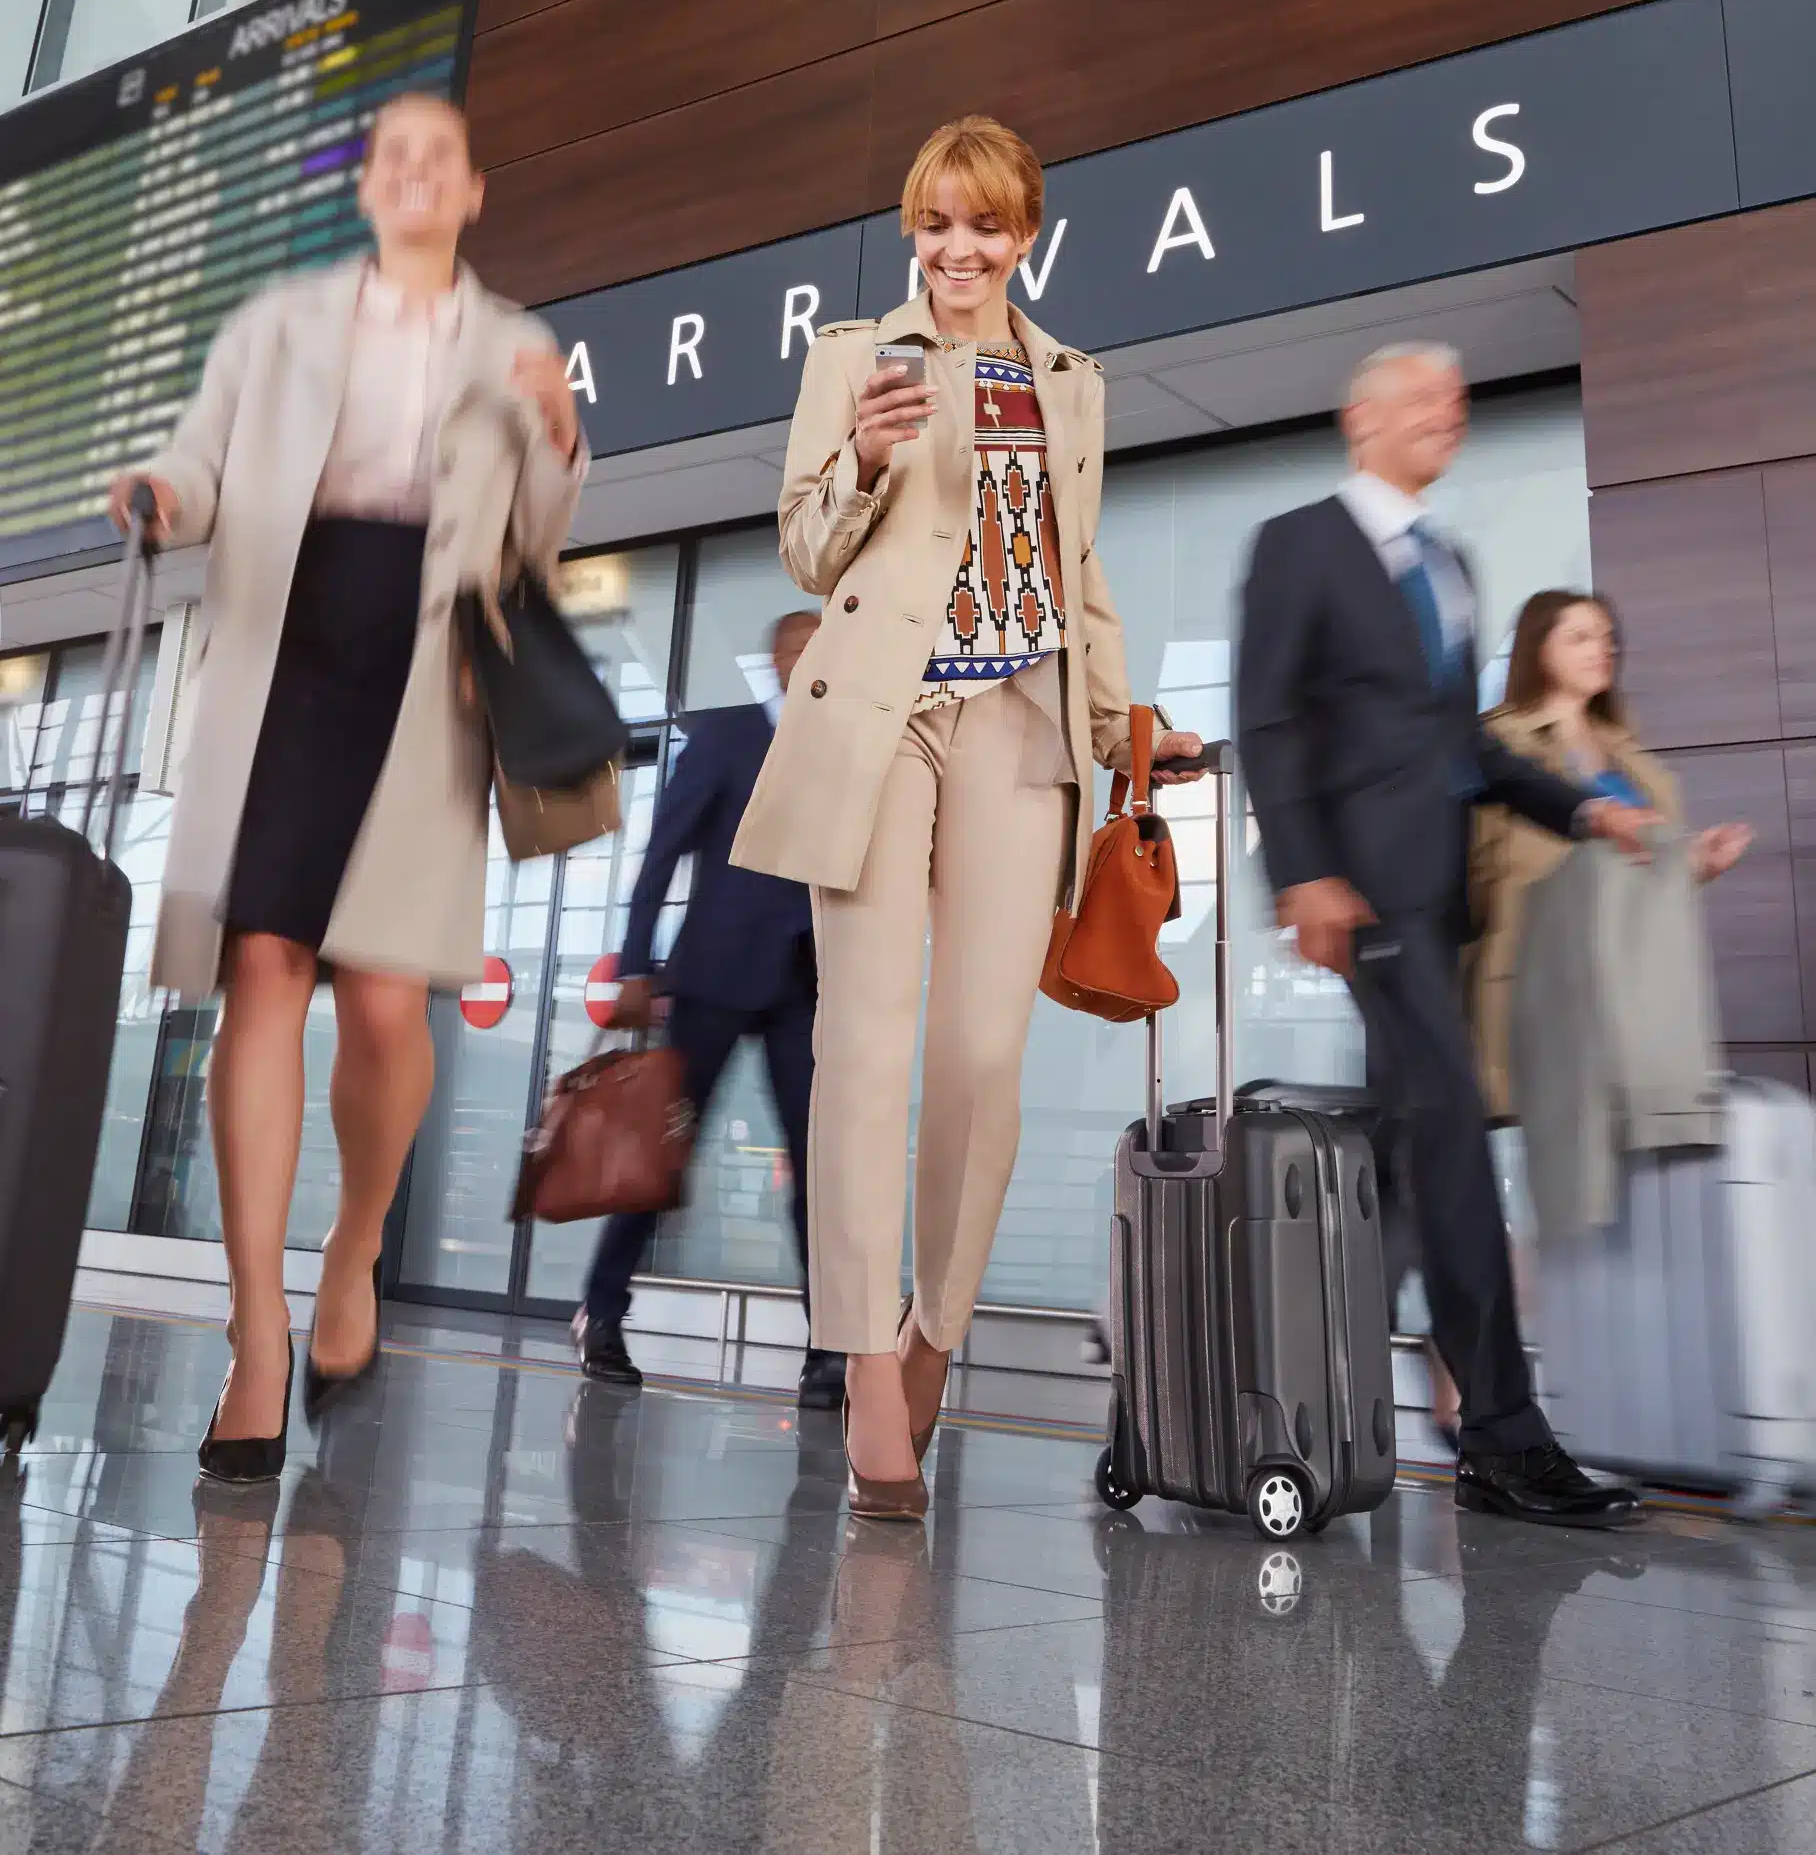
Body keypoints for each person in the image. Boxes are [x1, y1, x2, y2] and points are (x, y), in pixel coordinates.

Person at [730, 113, 1204, 1520]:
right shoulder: (847, 362)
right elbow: (807, 548)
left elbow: (1081, 568)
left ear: (1024, 236)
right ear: (909, 229)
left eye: (984, 226)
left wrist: (1128, 727)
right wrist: (866, 461)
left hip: (1021, 720)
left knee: (984, 1055)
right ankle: (868, 1354)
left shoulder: (1072, 378)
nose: (957, 249)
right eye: (935, 223)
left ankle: (939, 1318)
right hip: (881, 720)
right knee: (863, 1047)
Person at [109, 90, 585, 1485]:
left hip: (427, 663)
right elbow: (200, 462)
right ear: (371, 187)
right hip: (287, 643)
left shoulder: (515, 342)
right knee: (265, 963)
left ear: (476, 190)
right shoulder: (279, 325)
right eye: (394, 156)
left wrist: (559, 441)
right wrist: (161, 492)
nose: (417, 172)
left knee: (385, 996)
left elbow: (541, 544)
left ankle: (357, 1241)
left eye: (440, 154)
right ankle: (257, 1336)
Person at [1236, 342, 1658, 1529]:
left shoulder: (1451, 564)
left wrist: (1579, 806)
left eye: (1459, 399)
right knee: (1458, 1143)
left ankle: (1264, 1376)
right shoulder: (1299, 542)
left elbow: (1460, 747)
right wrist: (1302, 872)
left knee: (1408, 1163)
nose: (1448, 413)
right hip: (1363, 902)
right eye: (1422, 397)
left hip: (1438, 903)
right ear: (1357, 417)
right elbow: (1266, 720)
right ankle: (1505, 1437)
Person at [575, 610, 845, 1411]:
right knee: (661, 1161)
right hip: (712, 979)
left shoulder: (845, 750)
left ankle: (828, 1347)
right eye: (799, 649)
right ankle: (603, 1313)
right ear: (775, 658)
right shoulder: (725, 737)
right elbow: (661, 854)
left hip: (806, 986)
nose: (811, 662)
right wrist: (634, 964)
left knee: (819, 1172)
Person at [1469, 589, 1752, 1119]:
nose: (1601, 649)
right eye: (1579, 637)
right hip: (1541, 990)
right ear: (1536, 649)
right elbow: (1475, 875)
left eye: (1606, 638)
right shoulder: (1496, 748)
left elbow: (1641, 872)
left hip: (1635, 991)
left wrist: (1695, 864)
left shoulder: (1633, 759)